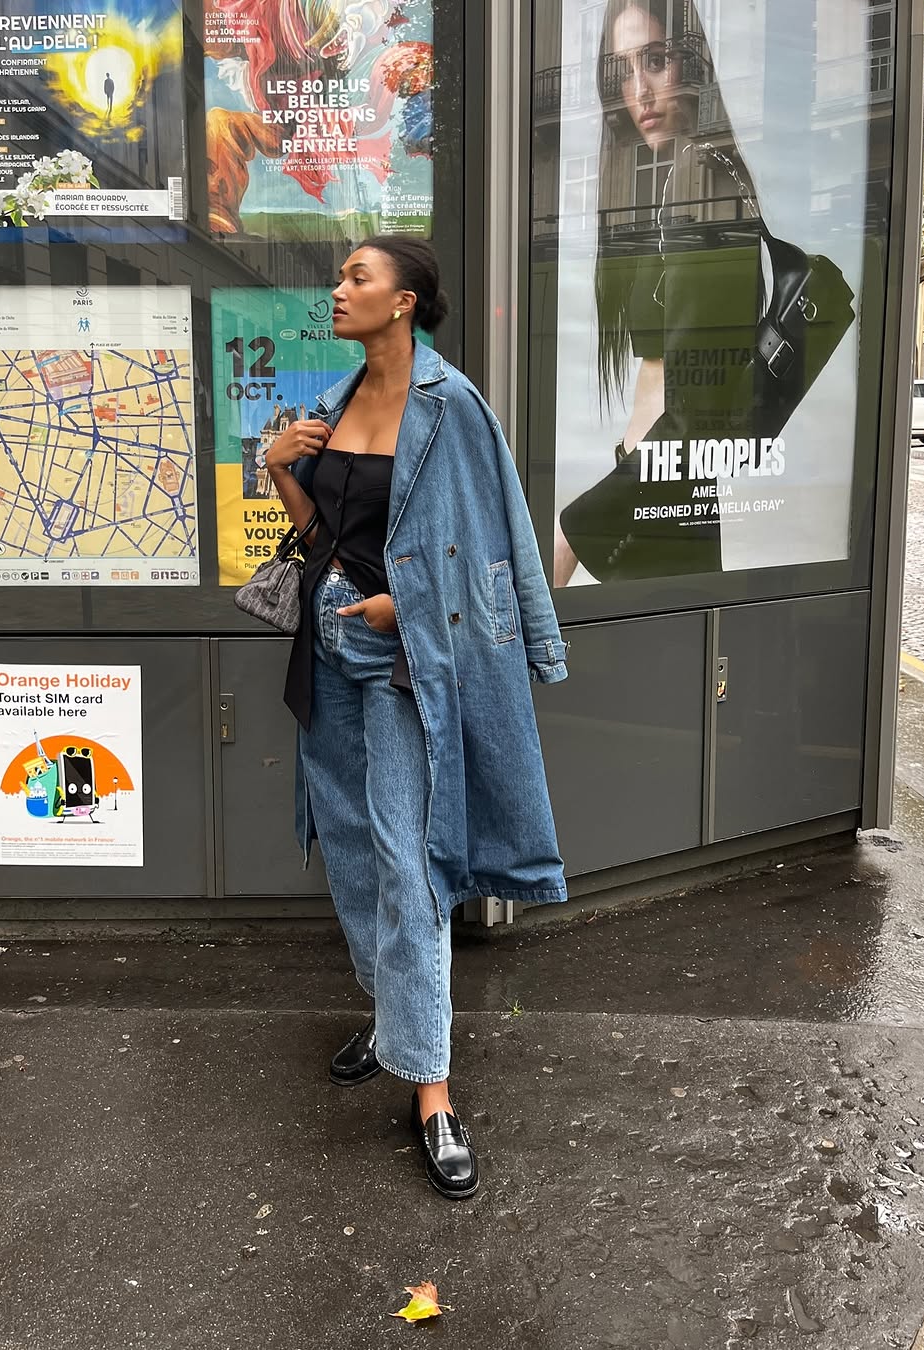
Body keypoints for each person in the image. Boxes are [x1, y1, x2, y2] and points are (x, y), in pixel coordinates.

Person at [266, 235, 568, 1199]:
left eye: (358, 277)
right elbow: (322, 538)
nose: (339, 289)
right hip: (327, 647)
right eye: (343, 276)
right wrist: (279, 470)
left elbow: (491, 541)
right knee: (351, 847)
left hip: (408, 667)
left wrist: (411, 605)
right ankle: (391, 1017)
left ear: (405, 303)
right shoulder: (338, 401)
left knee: (412, 858)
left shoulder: (453, 408)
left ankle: (431, 1091)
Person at [553, 0, 760, 586]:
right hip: (649, 479)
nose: (638, 90)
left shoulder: (708, 181)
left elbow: (702, 387)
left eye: (655, 60)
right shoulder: (669, 185)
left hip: (668, 482)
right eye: (623, 69)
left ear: (692, 64)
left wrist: (581, 524)